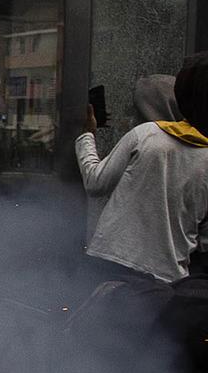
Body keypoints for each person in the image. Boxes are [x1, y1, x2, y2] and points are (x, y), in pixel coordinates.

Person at [76, 57, 208, 294]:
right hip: (168, 282)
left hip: (112, 263)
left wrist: (87, 136)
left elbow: (95, 183)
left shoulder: (146, 135)